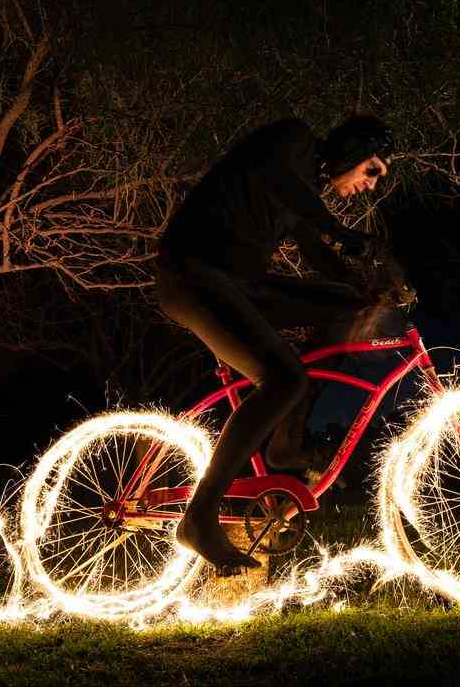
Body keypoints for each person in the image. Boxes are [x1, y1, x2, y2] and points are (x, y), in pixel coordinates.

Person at [155, 114, 395, 574]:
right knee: (283, 377)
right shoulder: (293, 142)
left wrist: (367, 286)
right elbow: (283, 184)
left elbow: (314, 249)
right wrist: (342, 232)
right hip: (193, 275)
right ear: (351, 150)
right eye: (372, 170)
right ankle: (199, 516)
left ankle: (285, 444)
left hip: (238, 284)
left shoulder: (303, 191)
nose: (370, 185)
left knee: (349, 307)